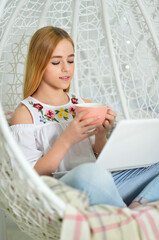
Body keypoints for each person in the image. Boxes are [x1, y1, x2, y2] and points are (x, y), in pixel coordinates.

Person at [10, 26, 159, 208]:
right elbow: (28, 177)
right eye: (56, 62)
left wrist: (101, 135)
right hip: (65, 190)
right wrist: (67, 139)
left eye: (70, 60)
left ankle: (135, 208)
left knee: (104, 172)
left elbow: (100, 161)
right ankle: (125, 212)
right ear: (38, 63)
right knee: (89, 174)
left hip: (103, 185)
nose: (66, 69)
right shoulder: (25, 114)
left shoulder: (83, 104)